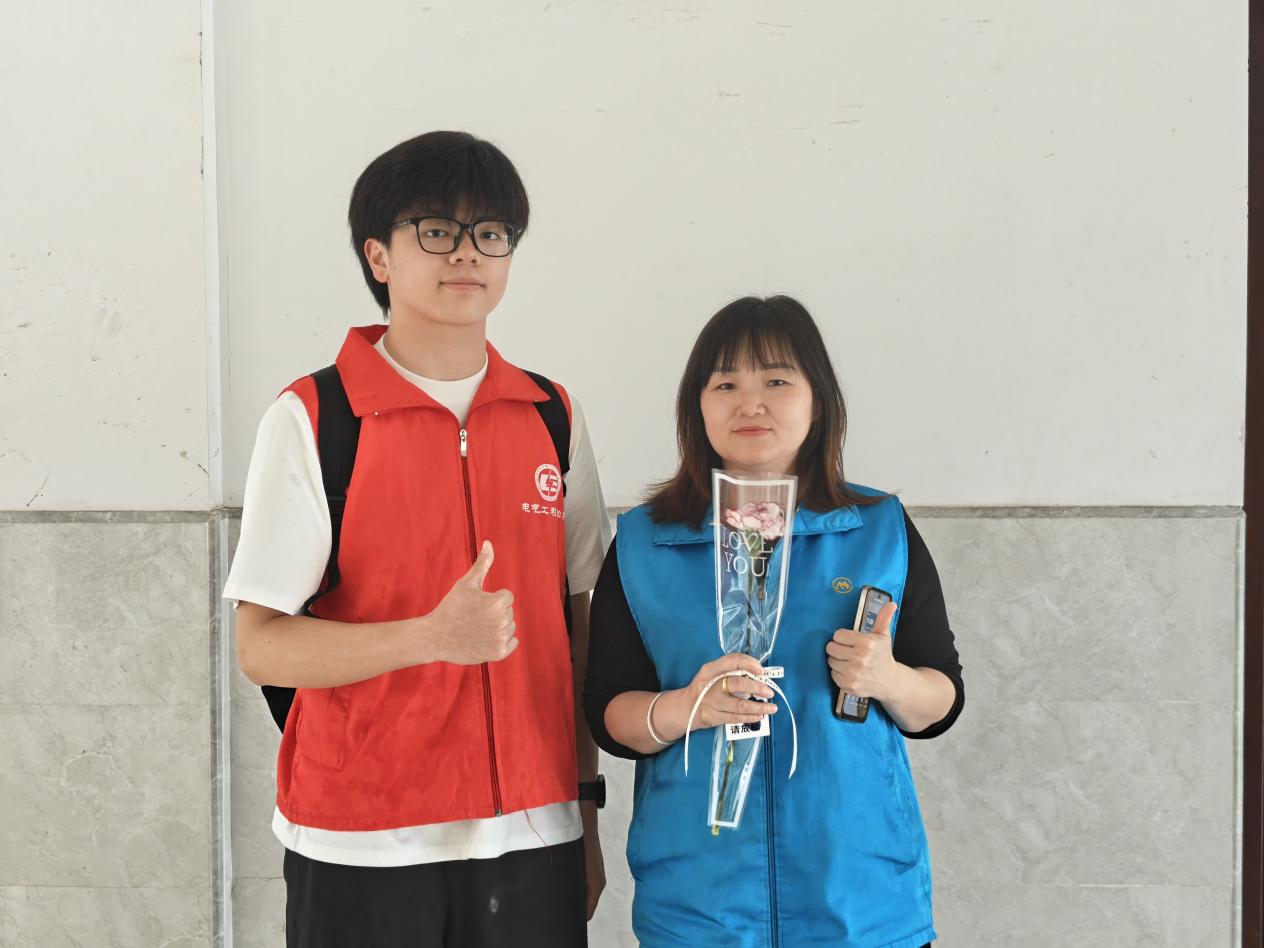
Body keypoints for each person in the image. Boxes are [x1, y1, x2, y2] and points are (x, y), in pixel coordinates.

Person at [226, 131, 608, 947]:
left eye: (491, 233)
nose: (467, 253)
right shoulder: (314, 417)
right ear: (379, 255)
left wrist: (586, 807)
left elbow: (579, 630)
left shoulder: (553, 415)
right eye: (437, 230)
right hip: (363, 839)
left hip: (535, 831)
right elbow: (261, 646)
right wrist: (430, 638)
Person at [584, 295, 964, 948]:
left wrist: (889, 679)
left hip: (862, 905)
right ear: (696, 407)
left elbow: (941, 701)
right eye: (725, 384)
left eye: (777, 381)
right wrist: (684, 708)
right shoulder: (645, 543)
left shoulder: (879, 530)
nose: (750, 403)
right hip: (699, 908)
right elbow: (608, 712)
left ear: (819, 401)